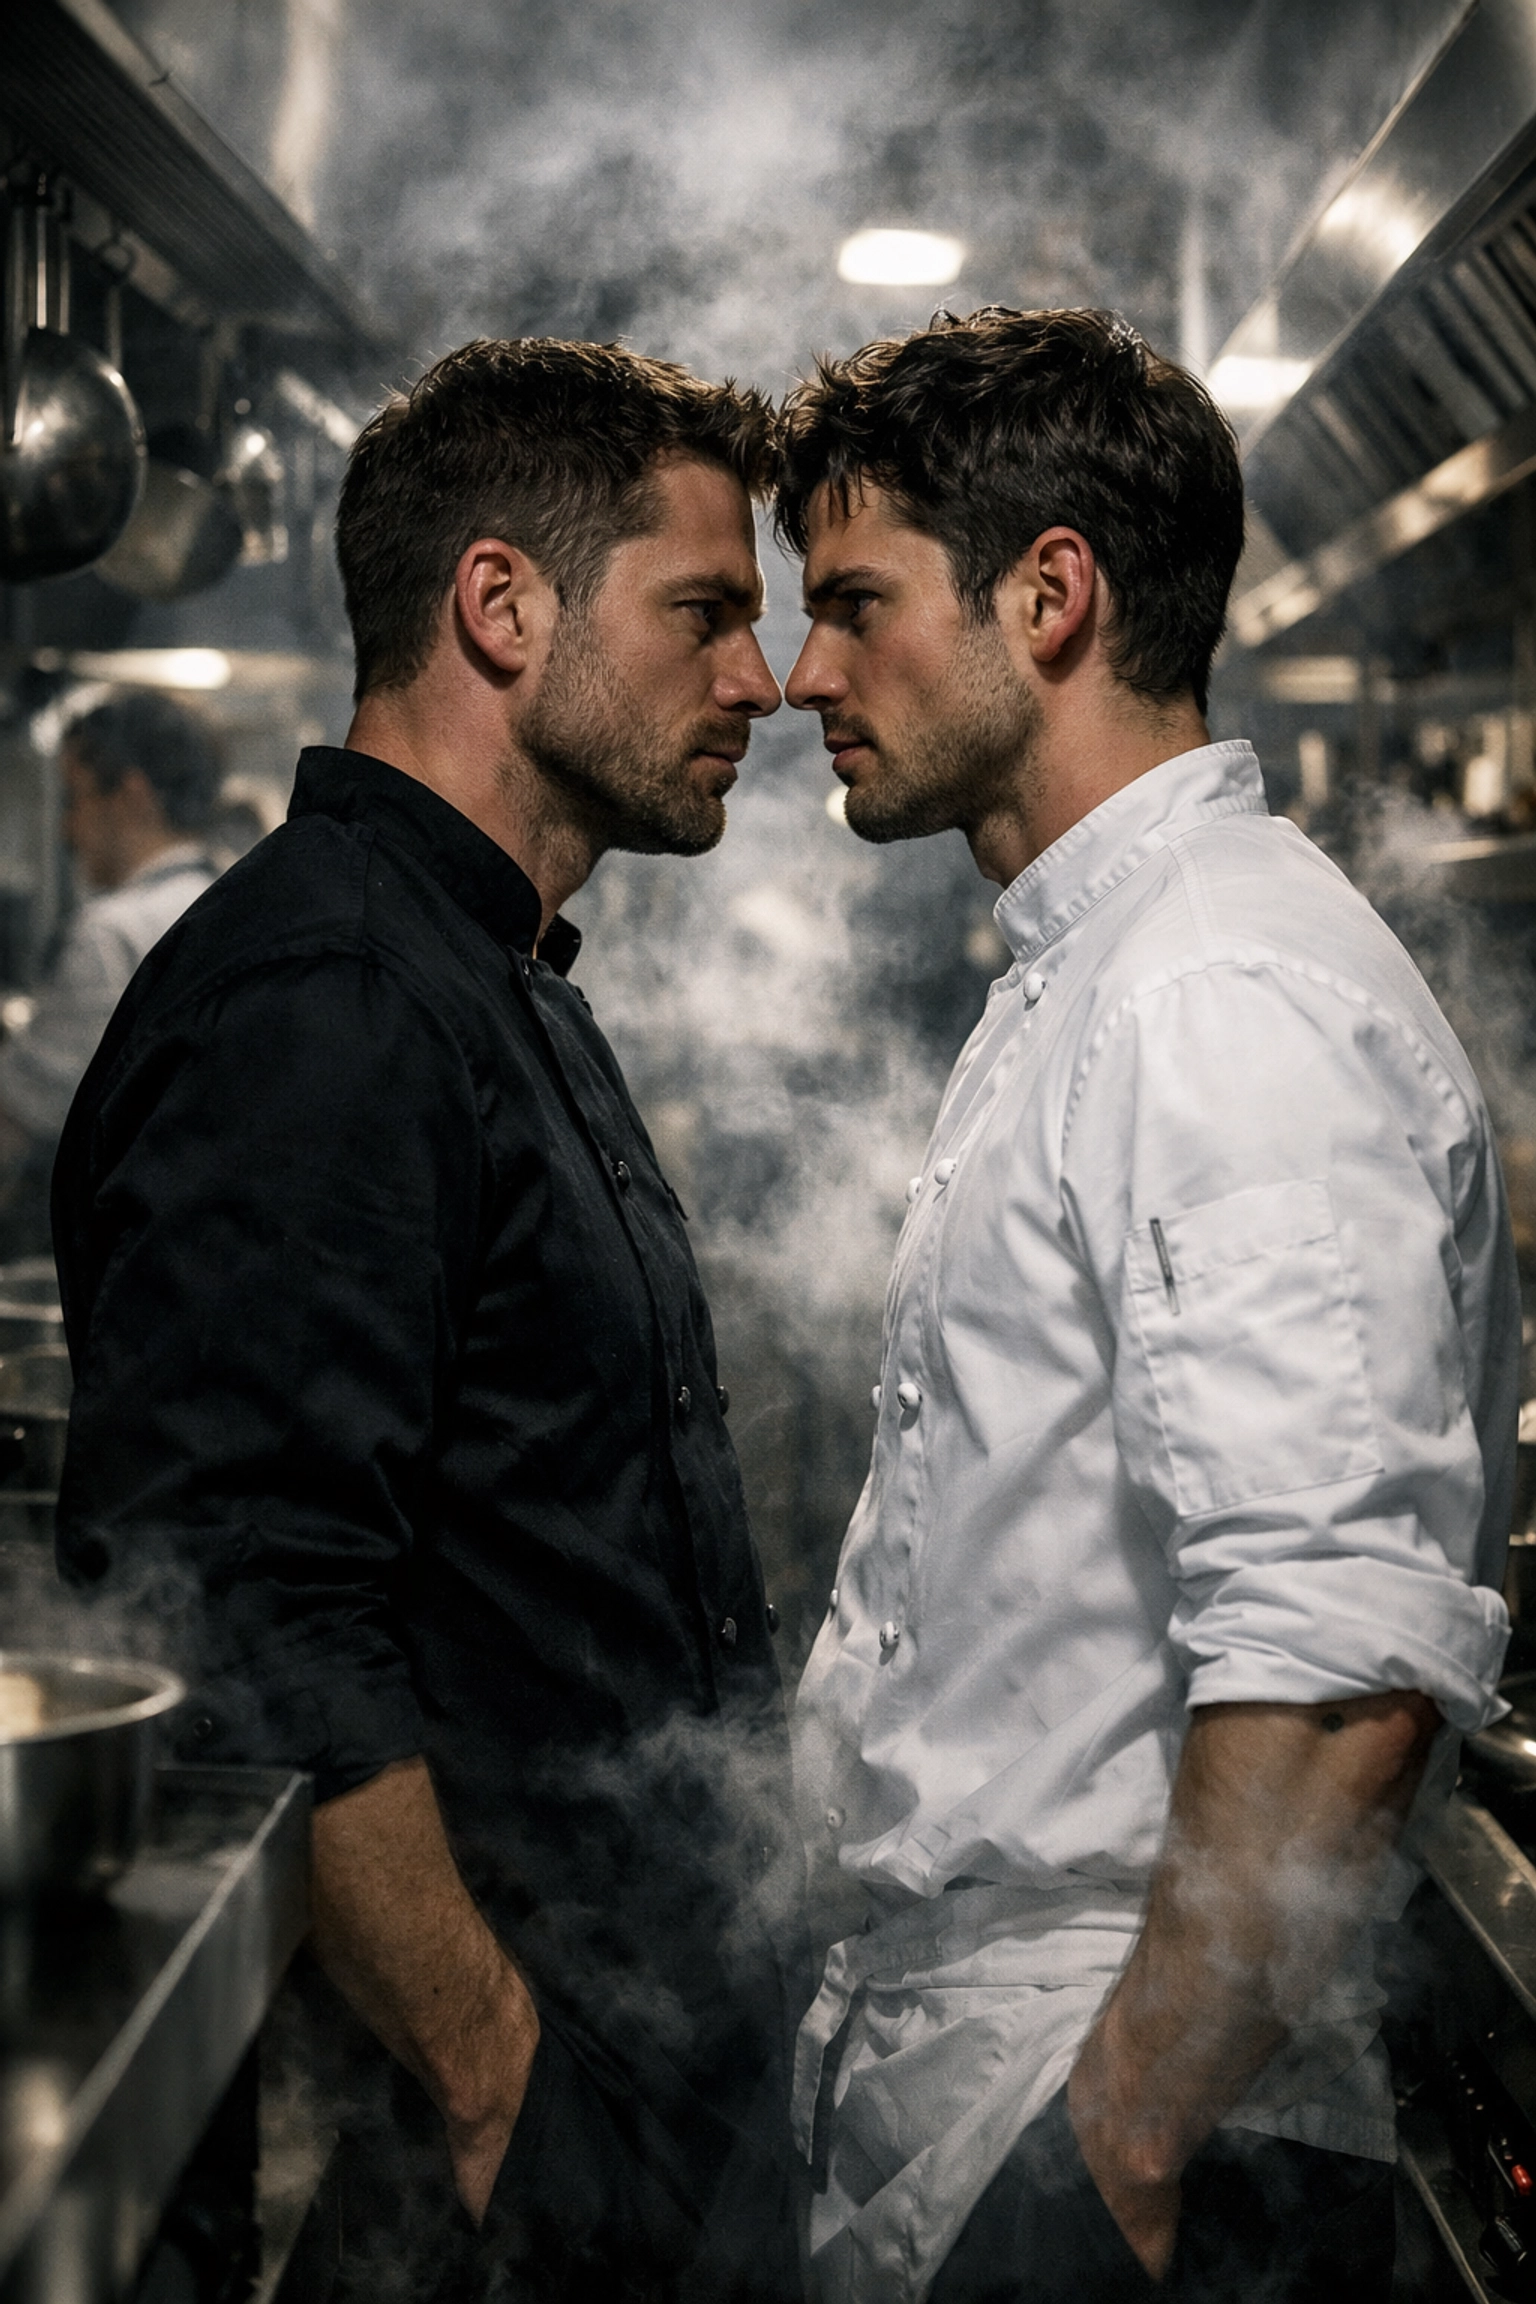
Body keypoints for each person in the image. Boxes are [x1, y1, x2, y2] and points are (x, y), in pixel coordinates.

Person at [775, 307, 1517, 2304]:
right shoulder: (1096, 968)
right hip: (1005, 2092)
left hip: (1111, 2125)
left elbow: (1339, 1639)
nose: (800, 672)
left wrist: (1125, 2122)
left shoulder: (1215, 993)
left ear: (1052, 593)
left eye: (852, 605)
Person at [51, 339, 805, 2303]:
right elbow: (250, 1606)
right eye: (708, 613)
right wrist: (489, 2081)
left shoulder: (493, 974)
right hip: (485, 2125)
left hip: (630, 2080)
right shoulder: (334, 997)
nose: (766, 679)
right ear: (498, 605)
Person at [0, 690, 221, 1255]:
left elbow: (18, 1116)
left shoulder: (111, 933)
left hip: (138, 1249)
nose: (66, 832)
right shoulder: (237, 900)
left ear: (131, 797)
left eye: (74, 801)